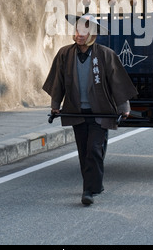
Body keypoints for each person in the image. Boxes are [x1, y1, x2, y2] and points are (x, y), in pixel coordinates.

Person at [43, 13, 138, 206]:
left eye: (85, 31)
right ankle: (94, 185)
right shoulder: (64, 54)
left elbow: (117, 82)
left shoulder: (105, 54)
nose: (80, 34)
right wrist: (55, 106)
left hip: (100, 110)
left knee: (94, 149)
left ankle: (88, 190)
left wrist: (123, 107)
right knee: (83, 150)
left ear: (93, 34)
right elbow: (58, 83)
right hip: (76, 110)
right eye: (78, 30)